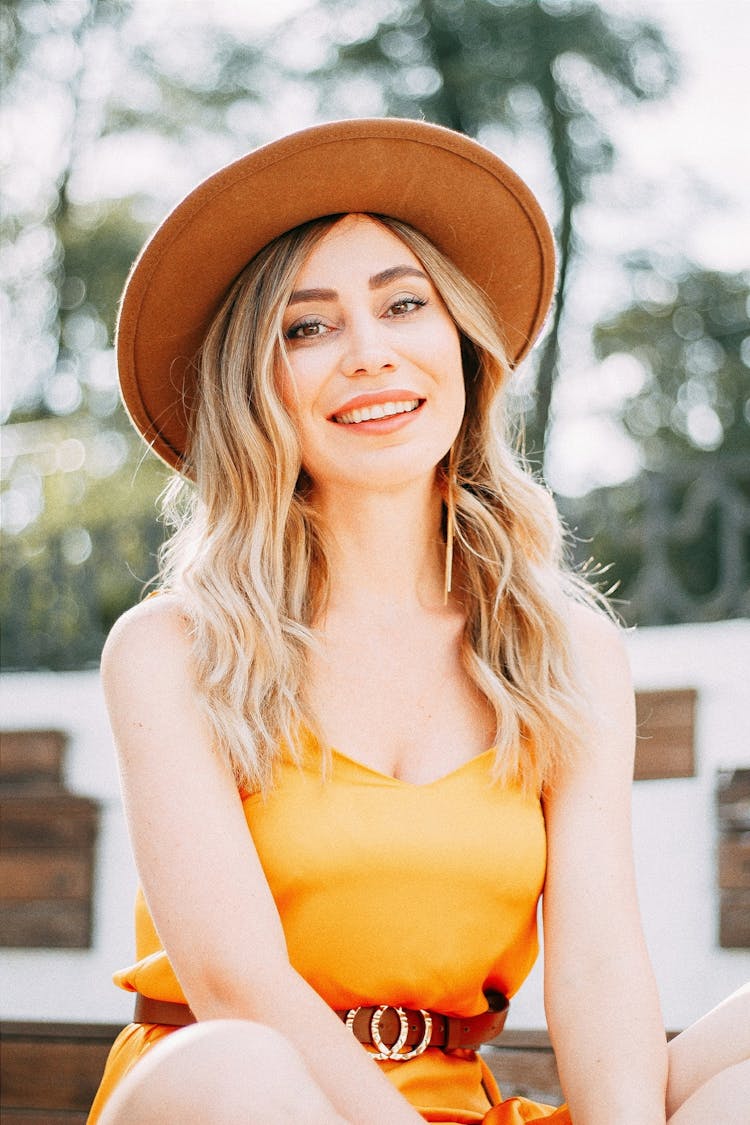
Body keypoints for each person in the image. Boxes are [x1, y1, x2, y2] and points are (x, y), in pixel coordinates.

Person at [88, 119, 748, 1125]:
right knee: (234, 1069)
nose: (370, 354)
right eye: (307, 328)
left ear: (461, 346)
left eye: (404, 305)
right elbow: (238, 986)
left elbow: (600, 966)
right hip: (245, 1101)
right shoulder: (175, 649)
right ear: (251, 386)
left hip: (462, 1106)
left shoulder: (565, 650)